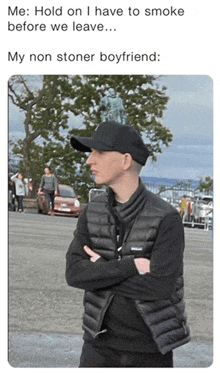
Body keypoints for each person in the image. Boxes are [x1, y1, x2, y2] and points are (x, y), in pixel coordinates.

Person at [66, 121, 190, 368]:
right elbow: (75, 274)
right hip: (97, 347)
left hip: (150, 350)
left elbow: (160, 287)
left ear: (125, 161)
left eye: (99, 152)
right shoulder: (93, 211)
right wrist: (131, 266)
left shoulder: (167, 218)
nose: (90, 160)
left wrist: (100, 270)